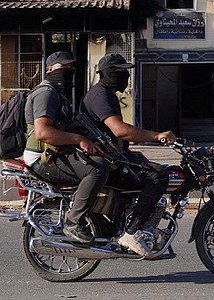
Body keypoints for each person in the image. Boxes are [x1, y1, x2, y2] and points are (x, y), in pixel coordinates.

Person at [81, 53, 176, 256]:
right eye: (121, 72)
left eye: (127, 72)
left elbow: (112, 136)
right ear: (107, 73)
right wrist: (157, 135)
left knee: (148, 167)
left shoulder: (107, 94)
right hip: (104, 163)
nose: (126, 76)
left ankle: (127, 222)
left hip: (112, 157)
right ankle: (132, 232)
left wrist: (130, 153)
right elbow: (120, 130)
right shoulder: (100, 96)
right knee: (158, 176)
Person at [23, 50, 108, 244]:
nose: (68, 70)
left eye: (71, 67)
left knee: (107, 163)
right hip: (42, 158)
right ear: (50, 69)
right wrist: (79, 140)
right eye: (64, 66)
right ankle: (73, 222)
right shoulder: (46, 92)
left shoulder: (58, 94)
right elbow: (42, 133)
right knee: (97, 168)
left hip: (53, 153)